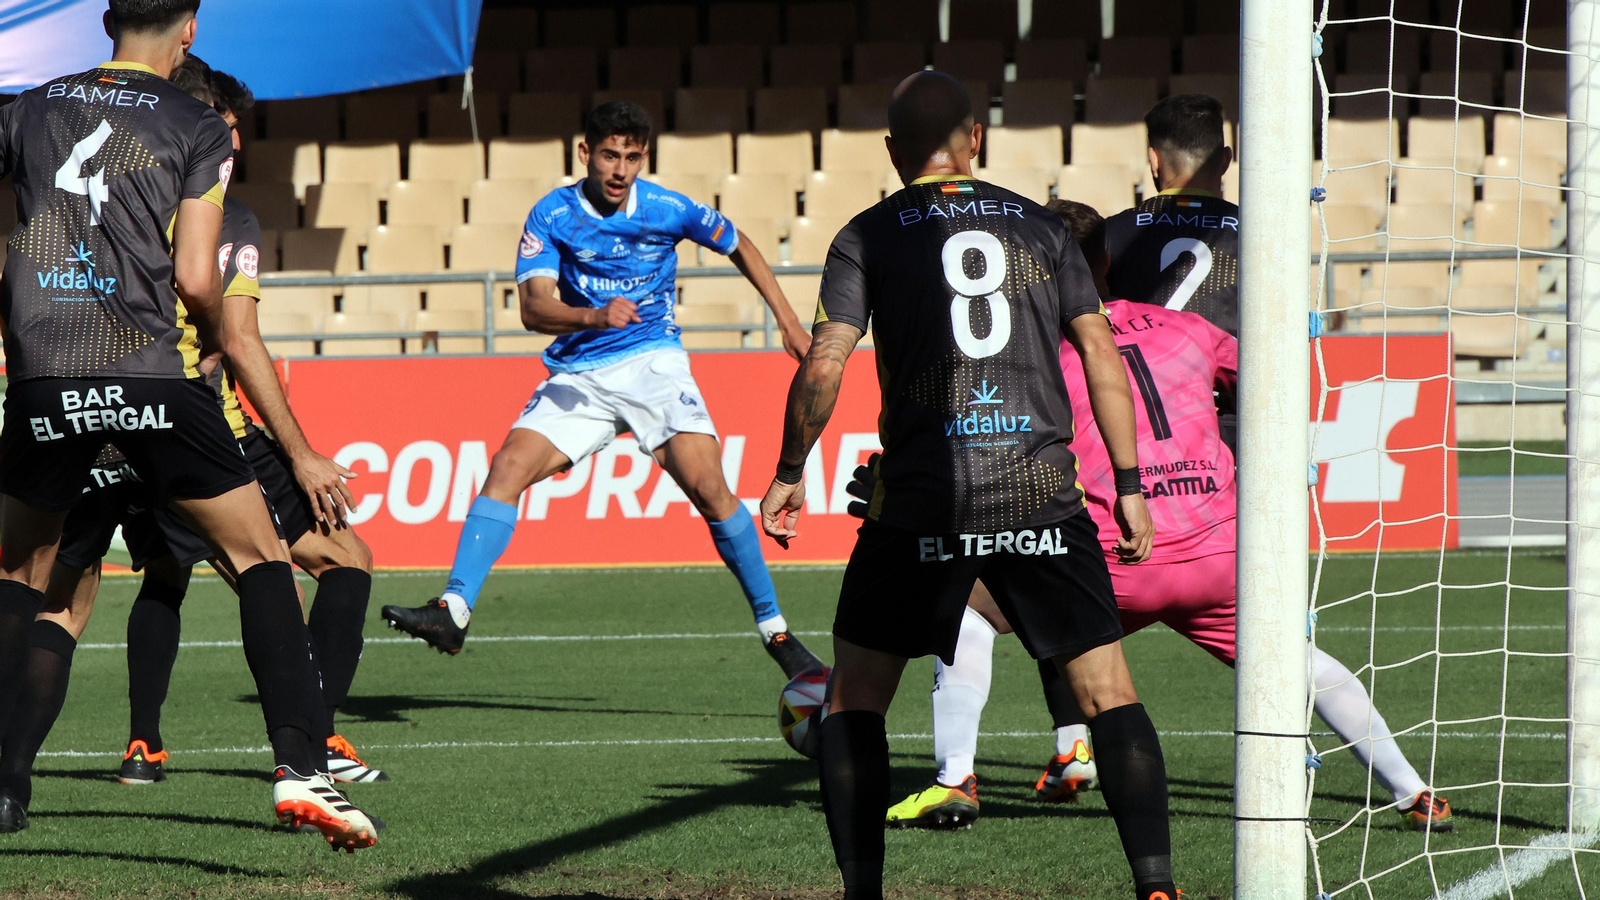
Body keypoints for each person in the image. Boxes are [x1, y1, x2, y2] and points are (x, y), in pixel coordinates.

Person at [876, 200, 1453, 834]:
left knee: (968, 606)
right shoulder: (1181, 326)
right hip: (1218, 553)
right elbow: (1273, 382)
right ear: (1108, 263)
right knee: (1298, 661)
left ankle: (957, 777)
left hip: (1117, 560)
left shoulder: (1033, 355)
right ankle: (1412, 790)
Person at [759, 74, 1179, 900]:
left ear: (891, 151)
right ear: (975, 139)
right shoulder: (1039, 225)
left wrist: (788, 472)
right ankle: (1157, 889)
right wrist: (1129, 484)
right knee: (1107, 692)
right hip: (1041, 497)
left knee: (854, 699)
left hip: (922, 500)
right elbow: (1100, 352)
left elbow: (826, 361)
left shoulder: (867, 235)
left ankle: (862, 893)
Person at [0, 0, 376, 849]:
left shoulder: (26, 110)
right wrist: (204, 326)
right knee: (260, 555)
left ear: (105, 17)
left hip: (44, 380)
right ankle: (303, 771)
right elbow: (200, 280)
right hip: (154, 382)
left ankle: (5, 784)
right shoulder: (195, 126)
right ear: (190, 28)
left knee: (29, 582)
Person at [382, 101, 824, 678]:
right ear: (585, 153)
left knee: (711, 487)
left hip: (652, 363)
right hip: (580, 372)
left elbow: (739, 242)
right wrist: (593, 317)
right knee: (508, 465)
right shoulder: (551, 214)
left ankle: (777, 632)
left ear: (645, 158)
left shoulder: (668, 208)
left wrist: (789, 322)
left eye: (633, 156)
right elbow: (533, 309)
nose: (620, 169)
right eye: (610, 155)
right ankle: (454, 610)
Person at [1103, 93, 1239, 447]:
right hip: (1231, 427)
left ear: (1153, 159)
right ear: (1226, 159)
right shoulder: (1260, 234)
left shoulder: (1111, 234)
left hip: (1144, 428)